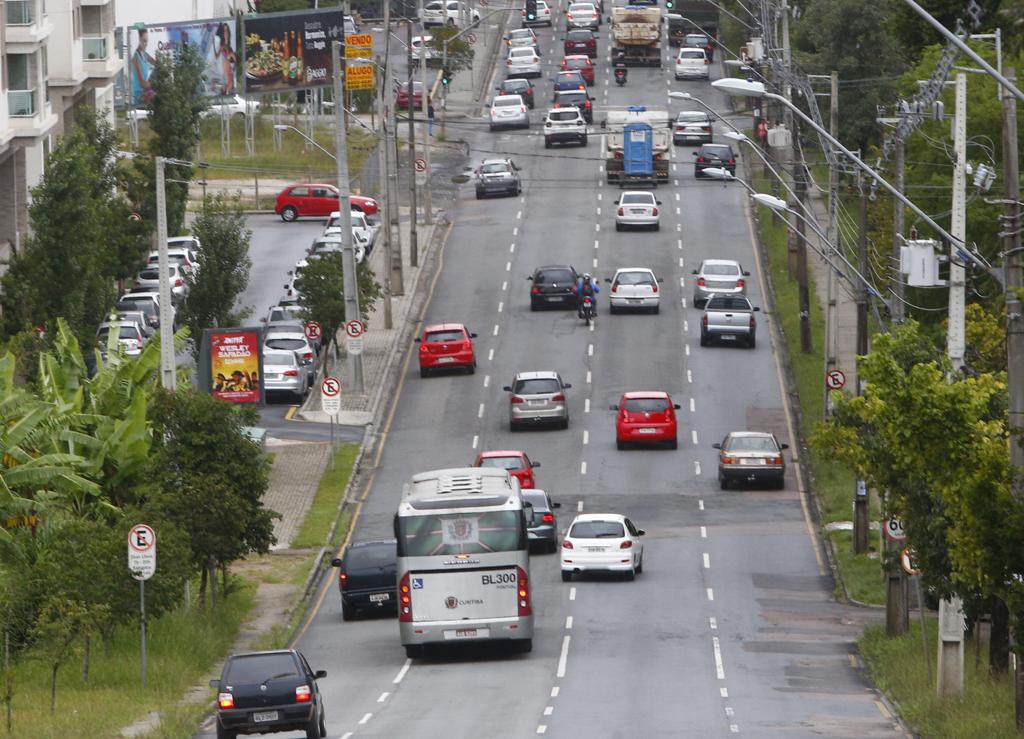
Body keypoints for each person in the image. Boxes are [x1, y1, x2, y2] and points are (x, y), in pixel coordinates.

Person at [130, 28, 156, 107]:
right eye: (144, 41)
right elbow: (142, 83)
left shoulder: (144, 54)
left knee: (159, 68)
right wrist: (156, 85)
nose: (146, 44)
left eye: (146, 41)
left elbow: (157, 63)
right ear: (139, 40)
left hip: (146, 89)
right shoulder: (135, 57)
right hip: (139, 95)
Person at [212, 22, 236, 95]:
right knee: (228, 85)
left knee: (230, 85)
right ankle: (223, 90)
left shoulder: (229, 47)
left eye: (227, 31)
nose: (226, 33)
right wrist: (213, 44)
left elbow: (234, 60)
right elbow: (216, 56)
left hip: (229, 72)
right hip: (225, 72)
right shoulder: (222, 46)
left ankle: (224, 90)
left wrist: (233, 65)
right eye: (224, 31)